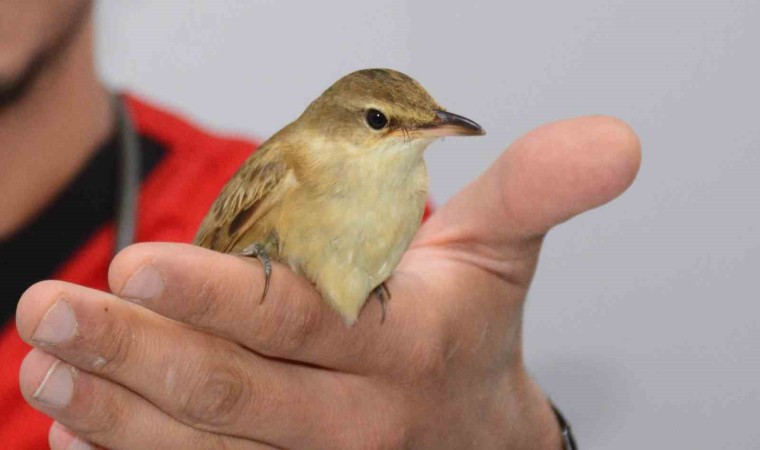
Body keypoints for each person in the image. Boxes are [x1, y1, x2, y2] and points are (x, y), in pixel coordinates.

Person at [1, 2, 640, 449]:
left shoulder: (423, 246)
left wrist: (513, 440)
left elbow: (430, 383)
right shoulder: (280, 169)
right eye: (382, 123)